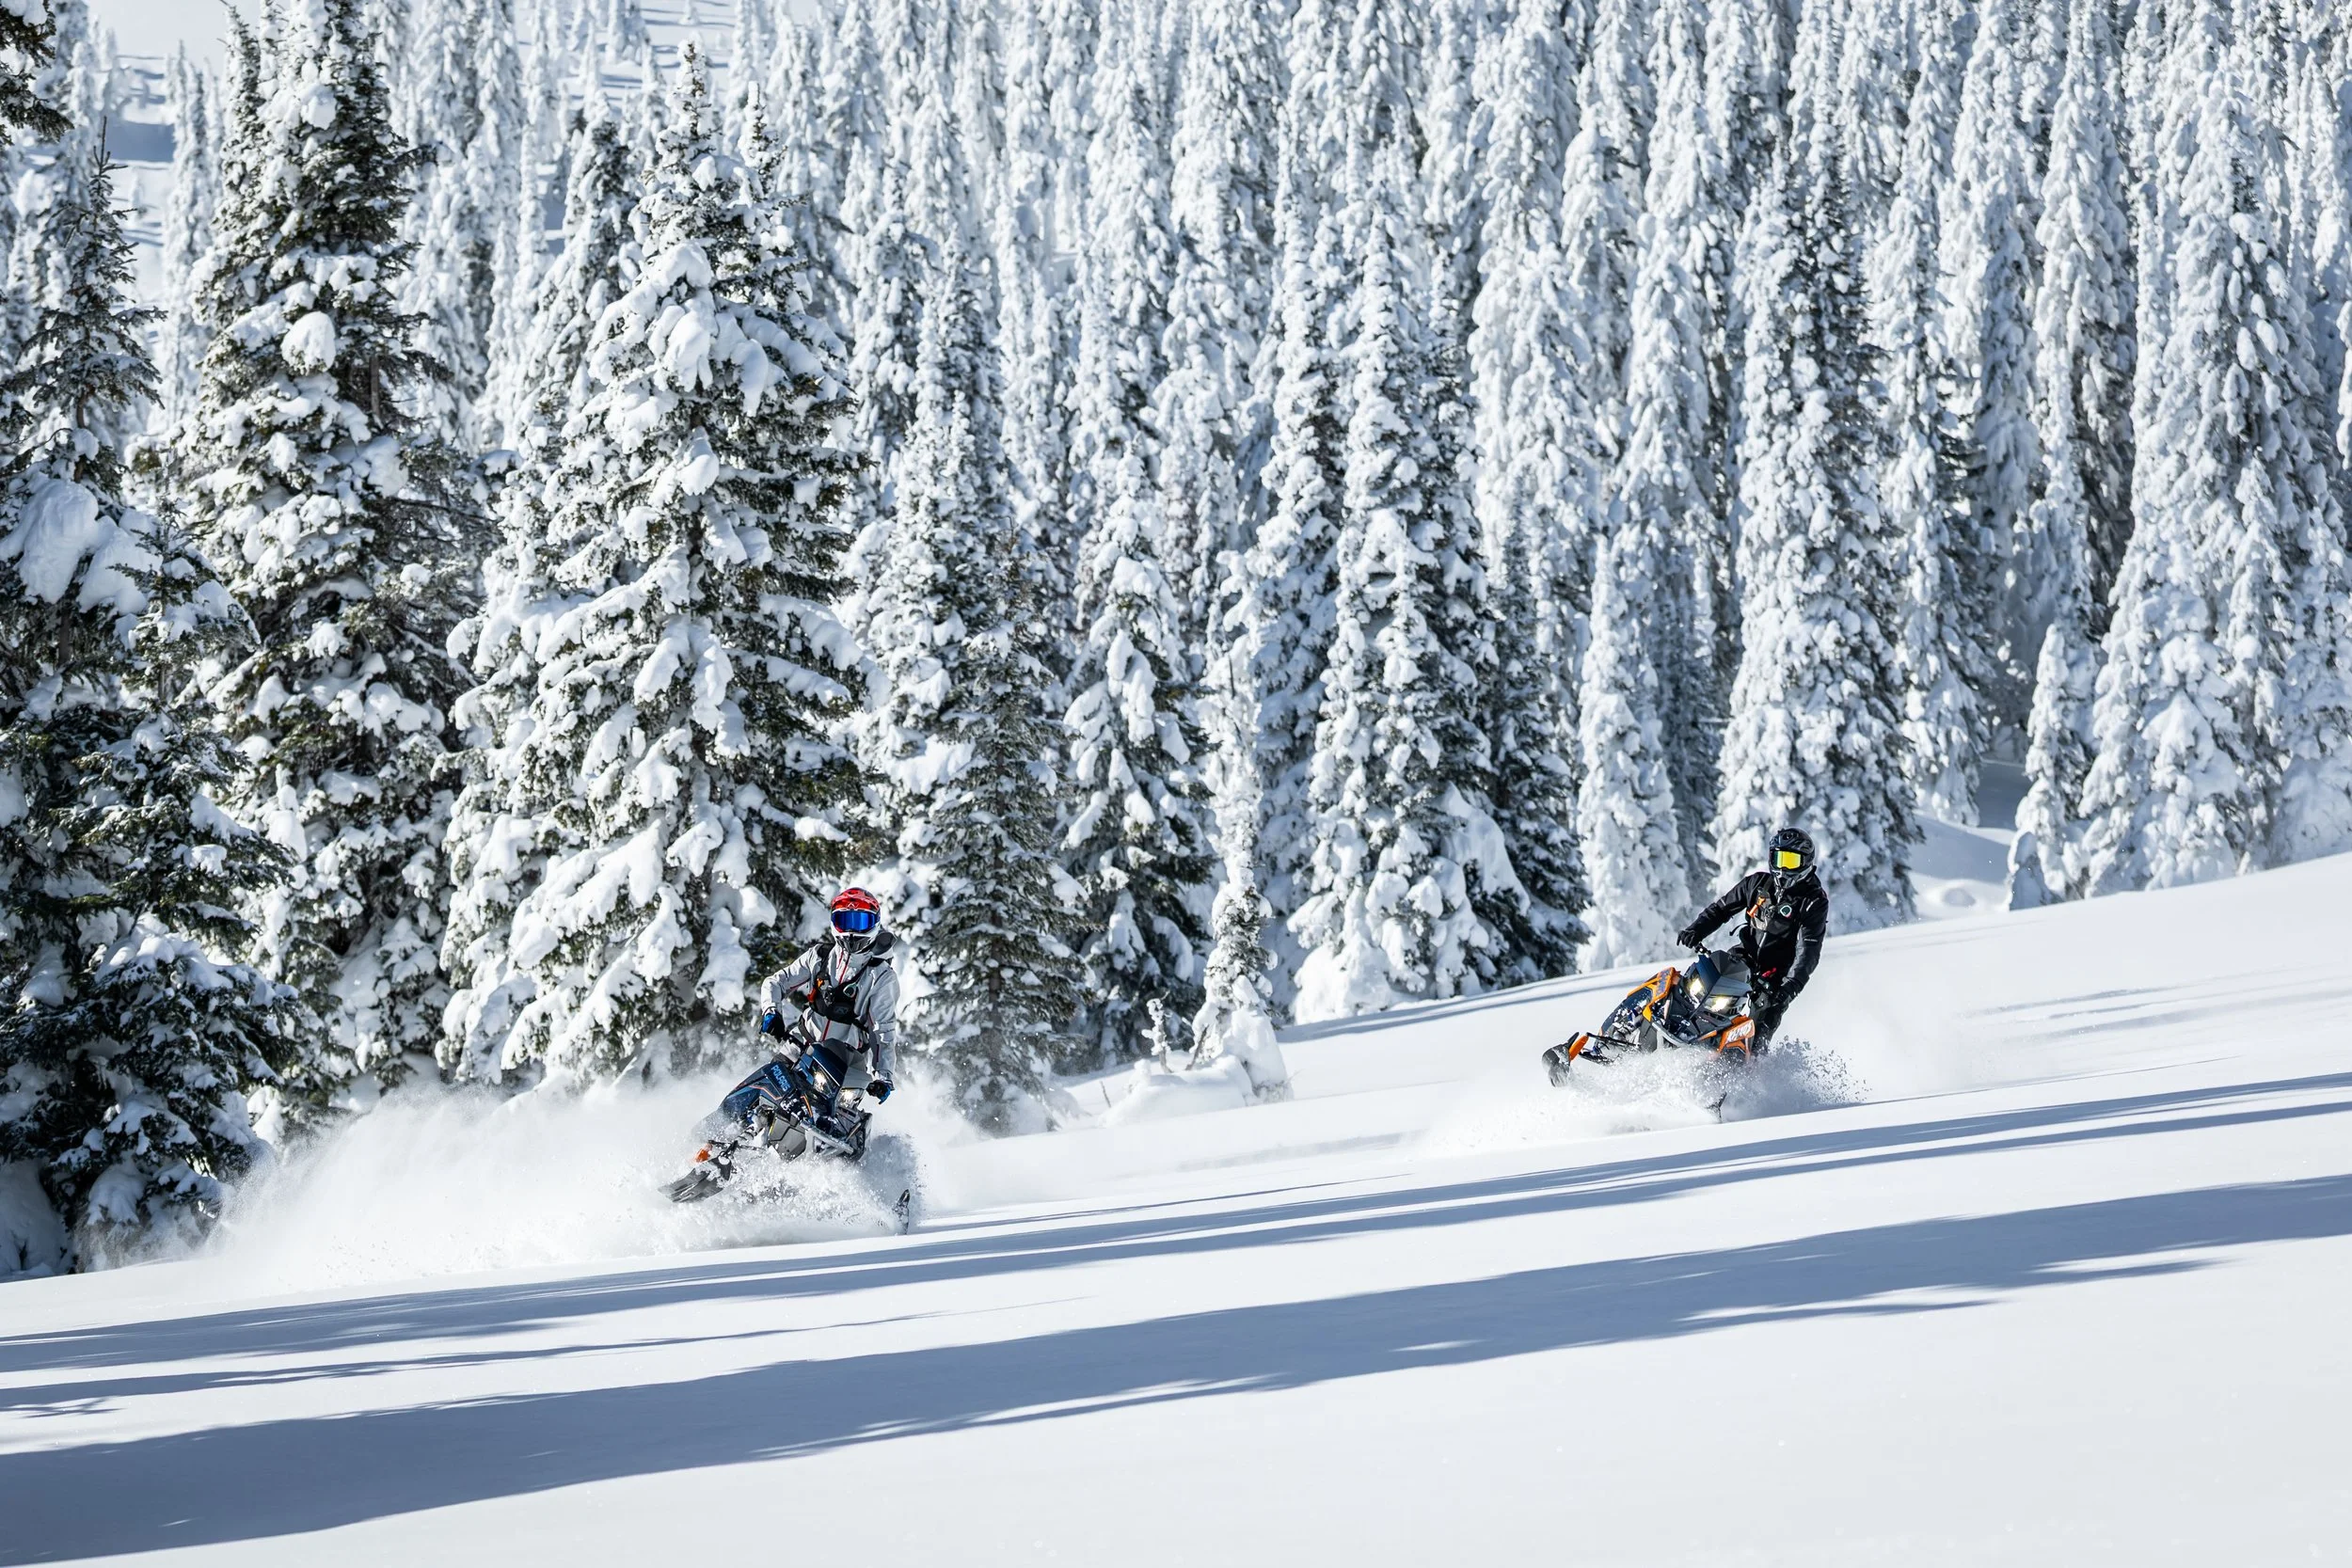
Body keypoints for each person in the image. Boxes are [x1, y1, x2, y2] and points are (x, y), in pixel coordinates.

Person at [1675, 827, 1828, 1051]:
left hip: (1776, 977)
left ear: (1805, 862)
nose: (1783, 868)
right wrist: (1696, 930)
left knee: (1762, 1024)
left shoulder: (1813, 900)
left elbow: (1809, 951)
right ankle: (1668, 1024)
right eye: (1779, 858)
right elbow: (1721, 909)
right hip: (1742, 958)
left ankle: (1747, 1073)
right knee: (1699, 984)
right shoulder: (1757, 884)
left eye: (1791, 860)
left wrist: (1789, 989)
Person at [758, 887, 902, 1104]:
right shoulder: (819, 956)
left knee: (834, 1121)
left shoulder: (880, 976)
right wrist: (772, 1012)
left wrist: (883, 1076)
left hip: (844, 1068)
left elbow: (882, 1030)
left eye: (860, 922)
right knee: (764, 1092)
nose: (852, 932)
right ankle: (725, 1128)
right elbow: (777, 981)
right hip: (800, 1048)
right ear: (835, 923)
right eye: (845, 921)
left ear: (874, 925)